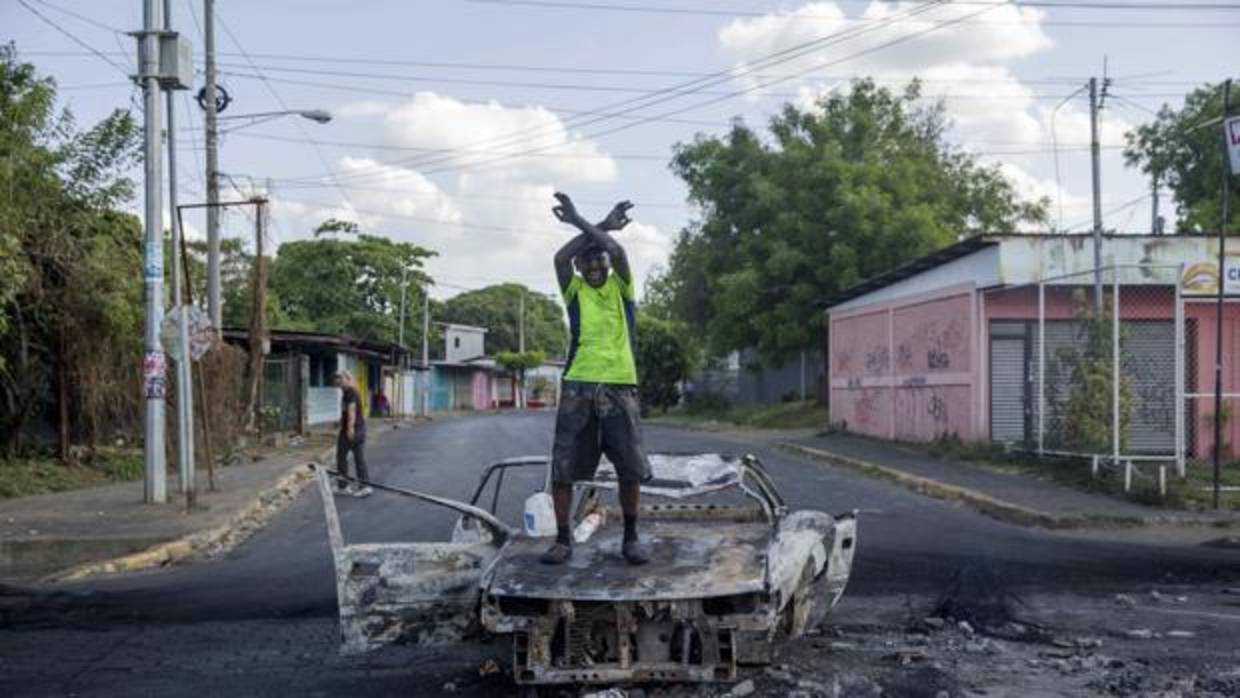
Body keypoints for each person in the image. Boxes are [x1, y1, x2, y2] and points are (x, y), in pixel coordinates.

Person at [541, 192, 650, 566]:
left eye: (598, 258)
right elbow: (559, 258)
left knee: (629, 466)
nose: (594, 266)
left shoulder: (622, 289)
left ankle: (631, 537)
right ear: (580, 267)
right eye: (586, 261)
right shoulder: (575, 293)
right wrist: (591, 223)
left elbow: (616, 250)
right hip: (578, 386)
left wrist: (594, 226)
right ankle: (562, 539)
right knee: (564, 466)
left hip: (620, 385)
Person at [334, 369, 372, 498]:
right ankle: (364, 486)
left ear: (347, 379)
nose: (337, 380)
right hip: (358, 429)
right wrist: (340, 422)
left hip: (353, 431)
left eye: (340, 377)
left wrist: (349, 429)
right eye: (336, 378)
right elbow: (346, 411)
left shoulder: (350, 392)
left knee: (341, 457)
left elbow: (352, 410)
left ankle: (344, 486)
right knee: (358, 458)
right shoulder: (347, 392)